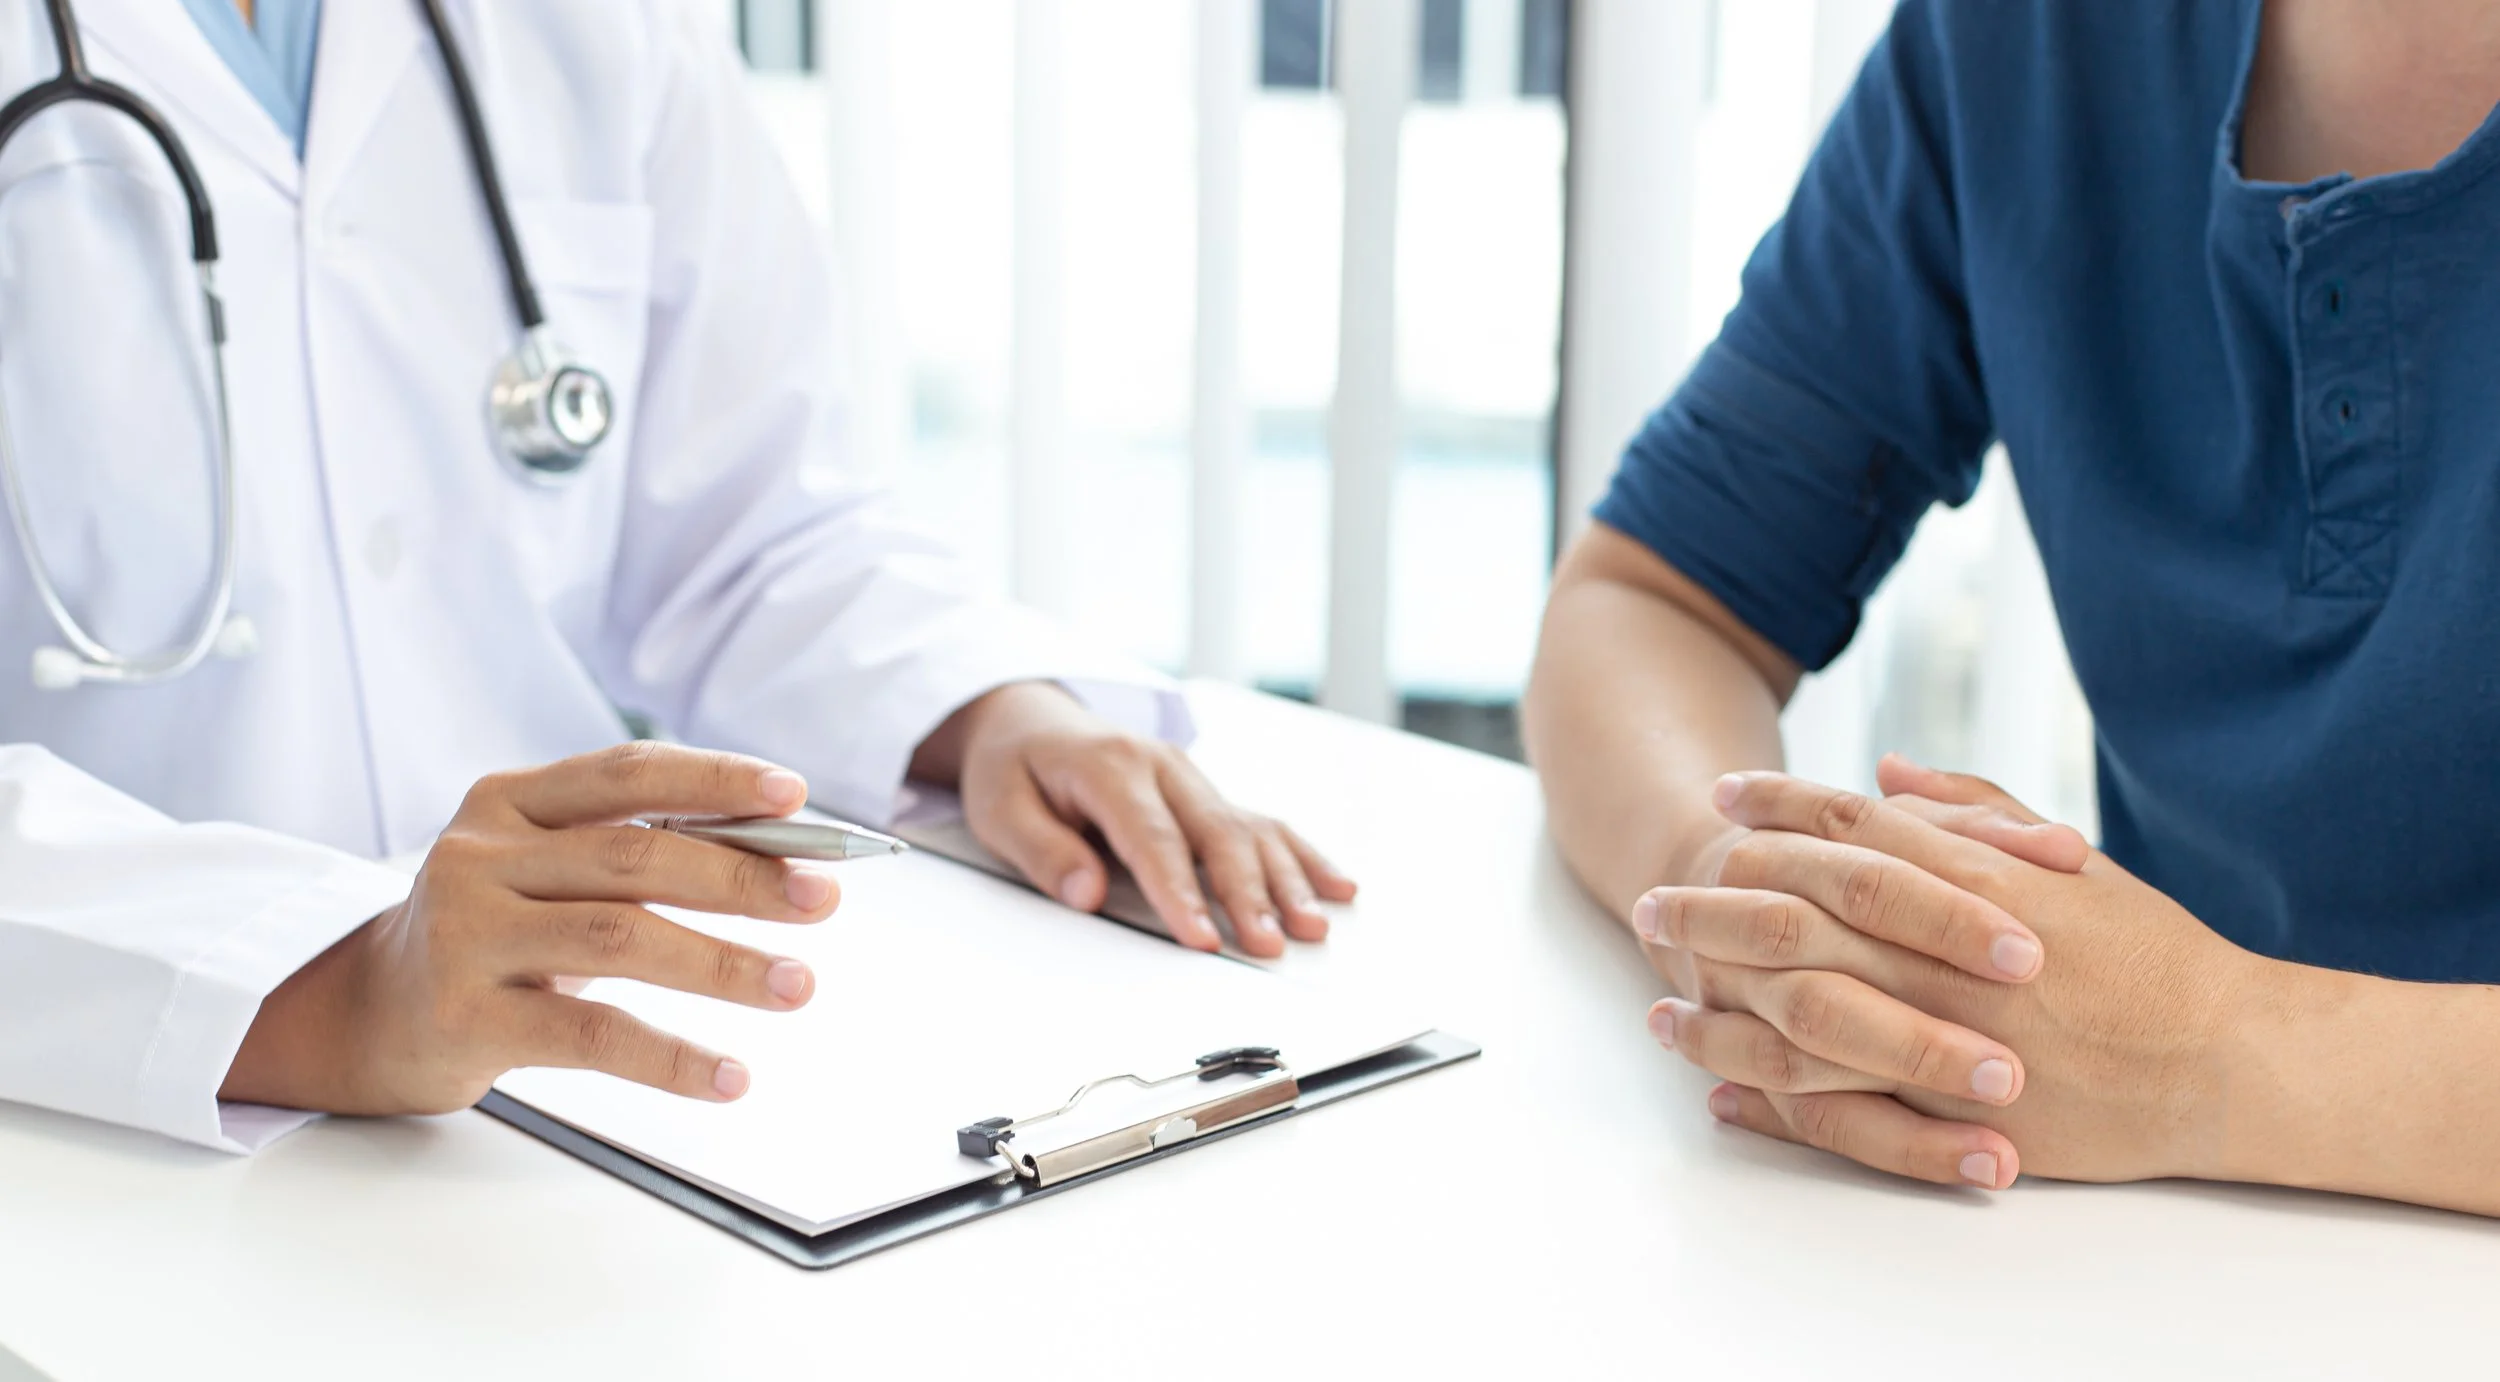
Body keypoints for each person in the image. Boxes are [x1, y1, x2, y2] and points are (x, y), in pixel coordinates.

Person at [0, 0, 1351, 1154]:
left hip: (558, 1088)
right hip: (98, 1130)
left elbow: (741, 521)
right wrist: (330, 982)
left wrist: (990, 713)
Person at [1526, 0, 2500, 1216]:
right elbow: (1654, 596)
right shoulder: (2029, 35)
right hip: (2167, 1241)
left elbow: (2176, 1052)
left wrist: (2205, 1047)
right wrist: (1743, 906)